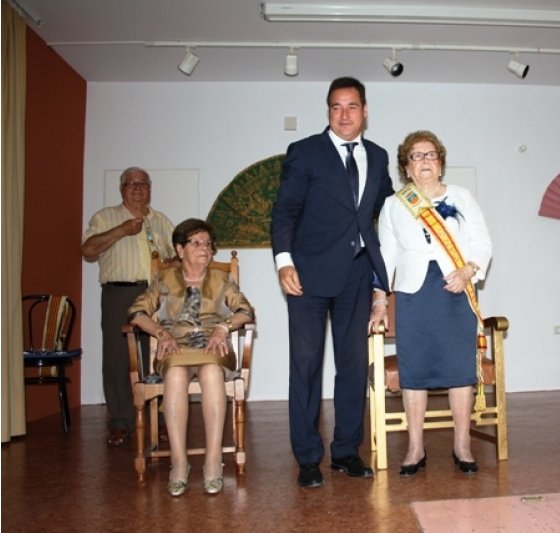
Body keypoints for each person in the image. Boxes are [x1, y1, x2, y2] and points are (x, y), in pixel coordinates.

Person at [271, 77, 395, 488]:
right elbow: (285, 210)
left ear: (365, 110)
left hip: (357, 274)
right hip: (307, 275)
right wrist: (284, 261)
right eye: (336, 107)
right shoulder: (305, 152)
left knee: (353, 366)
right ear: (328, 111)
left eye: (352, 106)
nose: (344, 114)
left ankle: (345, 452)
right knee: (306, 366)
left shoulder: (377, 157)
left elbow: (389, 210)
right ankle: (308, 457)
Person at [370, 130, 492, 476]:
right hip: (413, 295)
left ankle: (462, 445)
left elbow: (482, 243)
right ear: (406, 168)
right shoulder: (395, 204)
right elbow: (385, 258)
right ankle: (414, 447)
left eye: (430, 155)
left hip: (455, 292)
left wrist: (468, 270)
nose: (423, 161)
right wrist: (380, 300)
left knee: (459, 370)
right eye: (415, 156)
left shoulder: (462, 197)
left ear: (440, 162)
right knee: (415, 372)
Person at [127, 218, 255, 496]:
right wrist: (160, 333)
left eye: (208, 244)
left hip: (213, 346)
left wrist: (223, 327)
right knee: (174, 375)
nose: (205, 249)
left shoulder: (222, 279)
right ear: (179, 248)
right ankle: (179, 462)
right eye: (197, 243)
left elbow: (246, 311)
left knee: (210, 372)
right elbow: (136, 313)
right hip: (175, 346)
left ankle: (212, 462)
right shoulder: (163, 279)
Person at [81, 167, 175, 447]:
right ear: (121, 189)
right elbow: (87, 251)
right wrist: (121, 230)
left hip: (154, 295)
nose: (137, 188)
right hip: (118, 295)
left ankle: (157, 420)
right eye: (131, 184)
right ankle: (121, 422)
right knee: (117, 358)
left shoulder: (160, 221)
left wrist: (172, 264)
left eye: (142, 184)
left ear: (150, 189)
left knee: (158, 357)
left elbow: (175, 256)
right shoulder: (105, 217)